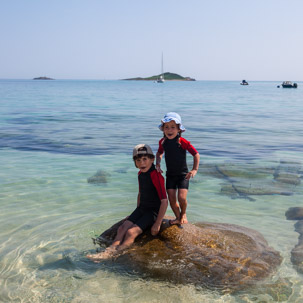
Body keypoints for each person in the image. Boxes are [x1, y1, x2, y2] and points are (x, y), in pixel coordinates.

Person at [87, 144, 168, 261]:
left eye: (145, 159)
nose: (142, 163)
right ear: (135, 162)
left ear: (152, 159)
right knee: (122, 228)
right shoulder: (140, 174)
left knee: (131, 232)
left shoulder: (156, 176)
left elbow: (164, 201)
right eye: (138, 160)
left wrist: (158, 223)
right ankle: (110, 250)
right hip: (142, 209)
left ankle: (116, 253)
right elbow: (140, 194)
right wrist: (135, 214)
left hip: (153, 212)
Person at [156, 112, 200, 225]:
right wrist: (158, 164)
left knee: (181, 198)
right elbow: (159, 153)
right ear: (163, 129)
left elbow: (196, 154)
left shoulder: (182, 142)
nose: (169, 130)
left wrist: (194, 169)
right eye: (166, 127)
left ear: (179, 129)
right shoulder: (163, 142)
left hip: (183, 175)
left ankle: (184, 213)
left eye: (173, 127)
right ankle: (178, 217)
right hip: (170, 175)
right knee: (171, 199)